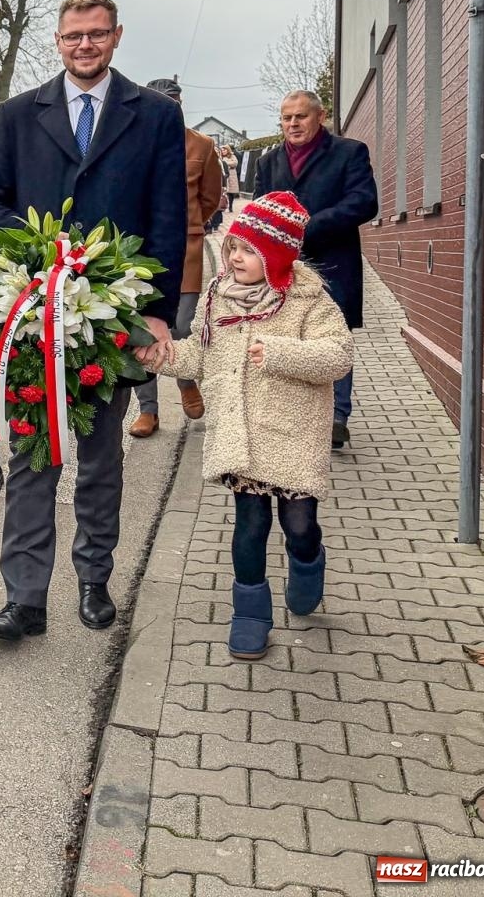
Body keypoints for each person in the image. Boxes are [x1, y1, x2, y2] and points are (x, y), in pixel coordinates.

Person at [0, 0, 186, 643]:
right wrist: (36, 249)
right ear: (56, 41)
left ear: (116, 36)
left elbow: (169, 220)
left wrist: (159, 313)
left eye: (95, 34)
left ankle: (94, 576)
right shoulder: (16, 116)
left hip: (112, 317)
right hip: (36, 316)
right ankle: (25, 597)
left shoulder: (153, 117)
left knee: (99, 456)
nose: (84, 45)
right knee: (33, 455)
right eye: (72, 37)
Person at [137, 192, 352, 660]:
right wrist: (160, 356)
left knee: (299, 523)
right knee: (250, 525)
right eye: (233, 246)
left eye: (248, 250)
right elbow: (200, 351)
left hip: (292, 433)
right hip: (240, 432)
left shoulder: (308, 300)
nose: (234, 256)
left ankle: (308, 559)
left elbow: (338, 356)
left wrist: (279, 353)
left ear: (275, 254)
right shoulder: (217, 296)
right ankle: (250, 615)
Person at [255, 91, 378, 450]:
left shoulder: (349, 152)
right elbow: (262, 209)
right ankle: (293, 412)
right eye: (286, 118)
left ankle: (337, 415)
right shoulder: (269, 162)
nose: (292, 124)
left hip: (333, 264)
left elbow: (363, 202)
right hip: (283, 267)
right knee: (287, 335)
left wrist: (306, 228)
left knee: (332, 337)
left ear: (319, 116)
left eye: (300, 117)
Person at [131, 78, 221, 439]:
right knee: (136, 330)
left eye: (174, 101)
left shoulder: (201, 144)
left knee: (179, 327)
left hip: (185, 250)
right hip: (137, 251)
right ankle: (148, 410)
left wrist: (192, 225)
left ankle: (186, 381)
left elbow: (211, 197)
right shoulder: (133, 143)